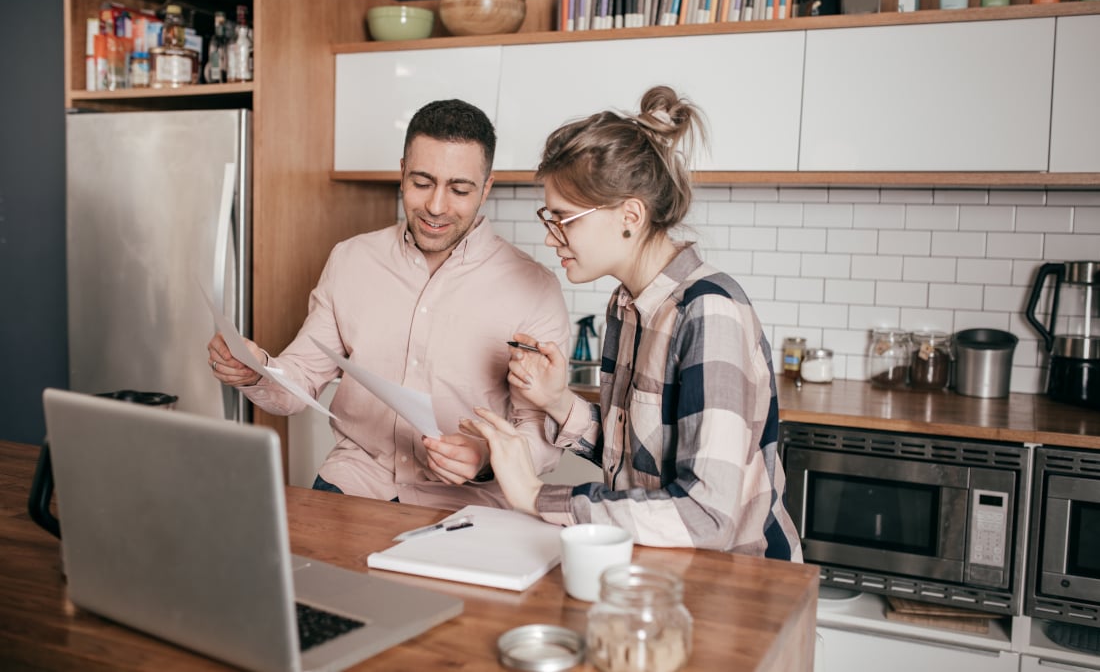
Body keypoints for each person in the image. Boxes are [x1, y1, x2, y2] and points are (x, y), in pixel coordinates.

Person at [463, 86, 802, 560]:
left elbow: (708, 515)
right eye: (549, 217)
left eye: (565, 219)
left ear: (631, 215)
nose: (551, 237)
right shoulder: (626, 307)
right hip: (656, 568)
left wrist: (537, 496)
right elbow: (641, 458)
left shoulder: (710, 311)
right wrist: (557, 401)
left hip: (737, 586)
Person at [207, 98, 571, 511]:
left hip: (467, 506)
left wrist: (487, 458)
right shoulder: (351, 259)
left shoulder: (534, 289)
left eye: (459, 189)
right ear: (401, 173)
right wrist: (255, 369)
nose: (436, 206)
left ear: (485, 188)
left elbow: (541, 433)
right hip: (354, 482)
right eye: (422, 182)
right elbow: (299, 381)